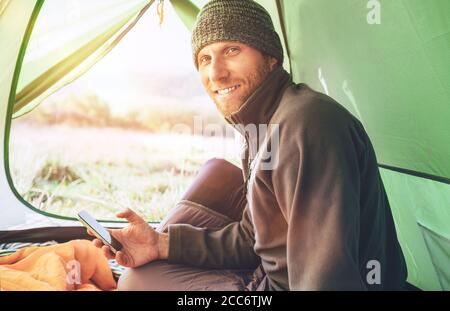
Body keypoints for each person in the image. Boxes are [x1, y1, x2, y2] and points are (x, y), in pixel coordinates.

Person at [90, 0, 407, 290]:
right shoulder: (263, 124)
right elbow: (253, 238)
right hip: (271, 272)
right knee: (212, 176)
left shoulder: (305, 124)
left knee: (136, 285)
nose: (216, 72)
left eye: (232, 50)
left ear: (270, 57)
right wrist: (159, 244)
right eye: (205, 58)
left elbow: (329, 278)